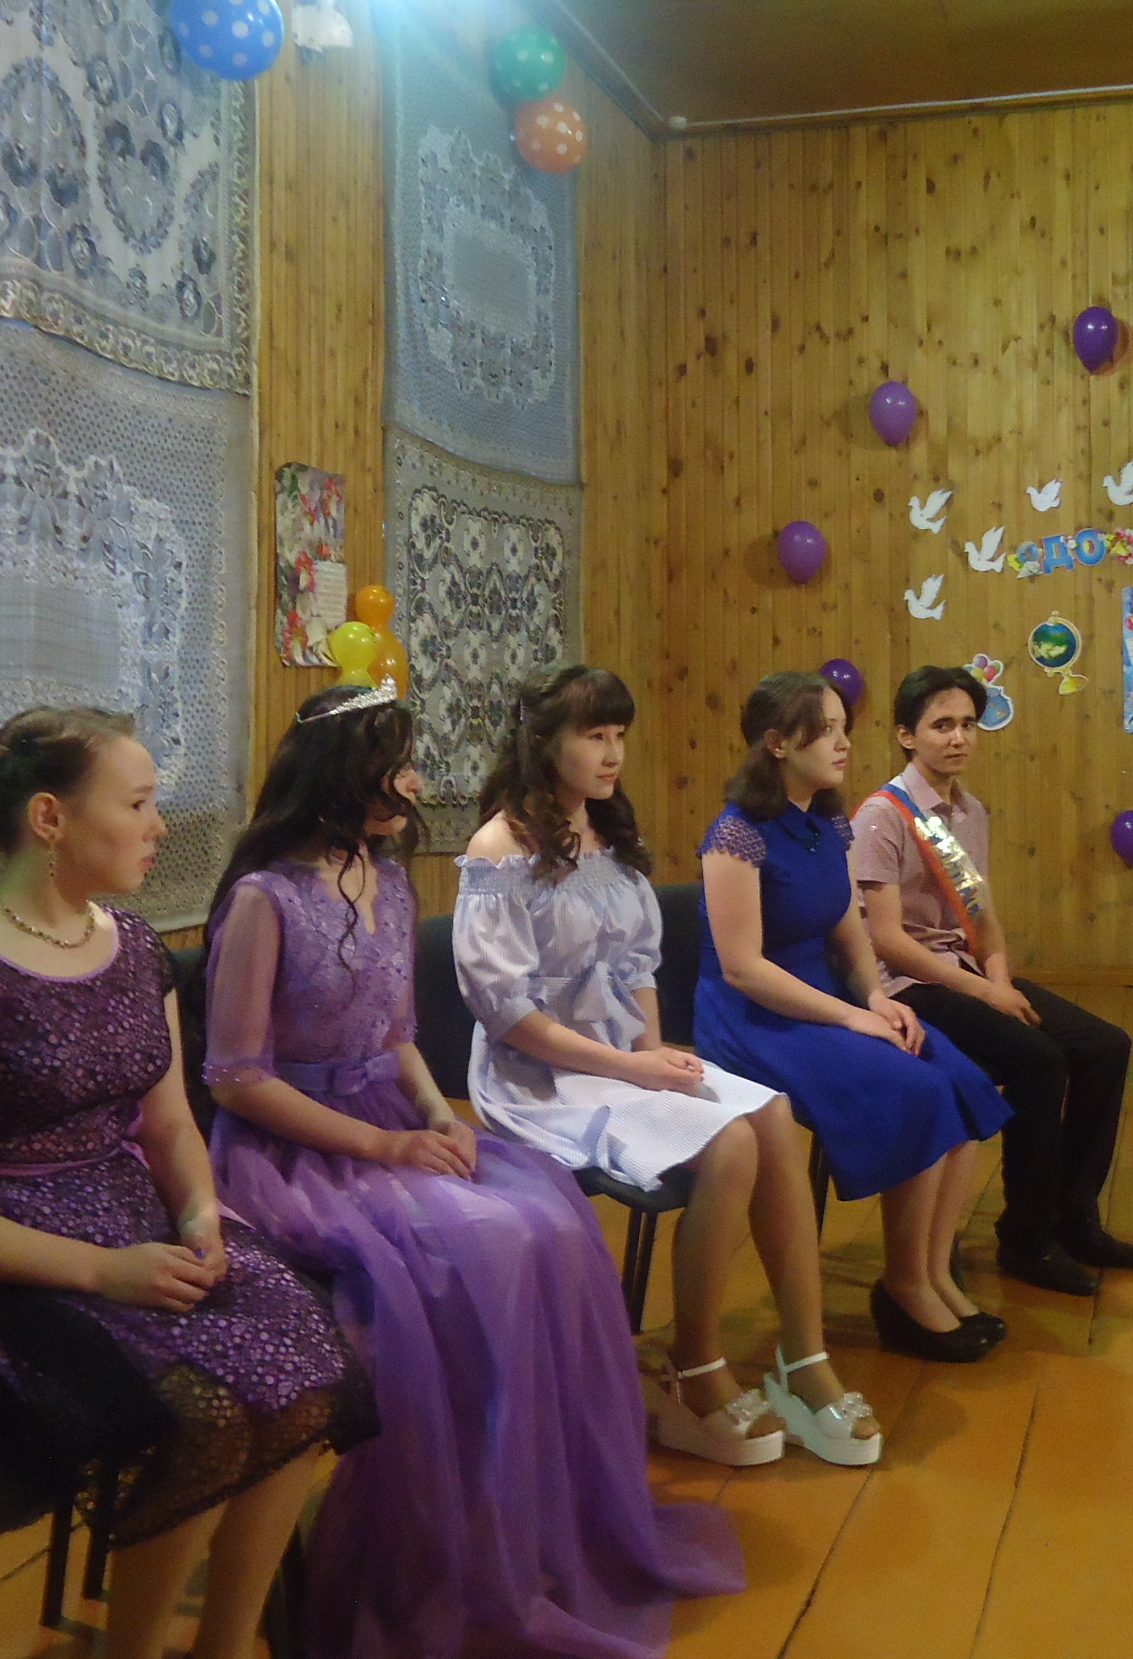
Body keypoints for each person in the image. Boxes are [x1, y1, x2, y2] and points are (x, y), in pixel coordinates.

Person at [203, 682, 743, 1659]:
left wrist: (432, 1114)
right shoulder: (263, 897)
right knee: (488, 1241)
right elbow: (237, 1078)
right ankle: (429, 1538)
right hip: (297, 1151)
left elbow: (397, 1035)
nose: (415, 782)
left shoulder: (388, 878)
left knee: (553, 1222)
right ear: (342, 773)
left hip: (388, 1119)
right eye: (397, 764)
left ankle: (513, 1521)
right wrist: (385, 1146)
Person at [0, 708, 372, 1659]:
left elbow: (168, 1123)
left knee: (310, 1373)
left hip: (123, 1209)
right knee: (204, 1413)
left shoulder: (133, 948)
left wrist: (201, 1212)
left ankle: (223, 1646)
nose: (157, 825)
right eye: (136, 804)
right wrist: (103, 1272)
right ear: (49, 819)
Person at [459, 665, 881, 1469]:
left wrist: (651, 1049)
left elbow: (637, 965)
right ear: (542, 742)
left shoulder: (606, 837)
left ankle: (804, 1357)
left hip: (624, 1055)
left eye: (619, 735)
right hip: (542, 1075)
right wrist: (631, 1067)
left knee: (772, 1113)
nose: (613, 753)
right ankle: (694, 1367)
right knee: (729, 1144)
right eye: (594, 736)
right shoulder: (499, 849)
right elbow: (506, 1011)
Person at [691, 671, 1012, 1364]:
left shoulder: (829, 822)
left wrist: (875, 997)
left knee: (963, 1081)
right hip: (756, 1017)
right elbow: (744, 969)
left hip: (826, 998)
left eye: (844, 728)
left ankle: (931, 1271)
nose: (843, 743)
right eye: (826, 730)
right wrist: (850, 1017)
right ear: (777, 743)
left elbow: (846, 931)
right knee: (918, 1091)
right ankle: (903, 1285)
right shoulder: (735, 834)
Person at [852, 666, 1133, 1298]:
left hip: (964, 970)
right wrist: (987, 994)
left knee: (1105, 1046)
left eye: (968, 724)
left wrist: (998, 974)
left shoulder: (968, 812)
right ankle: (1026, 1237)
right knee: (1039, 1060)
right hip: (909, 986)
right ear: (906, 736)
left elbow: (981, 916)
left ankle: (1075, 1216)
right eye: (941, 725)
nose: (958, 737)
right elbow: (887, 940)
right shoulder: (883, 816)